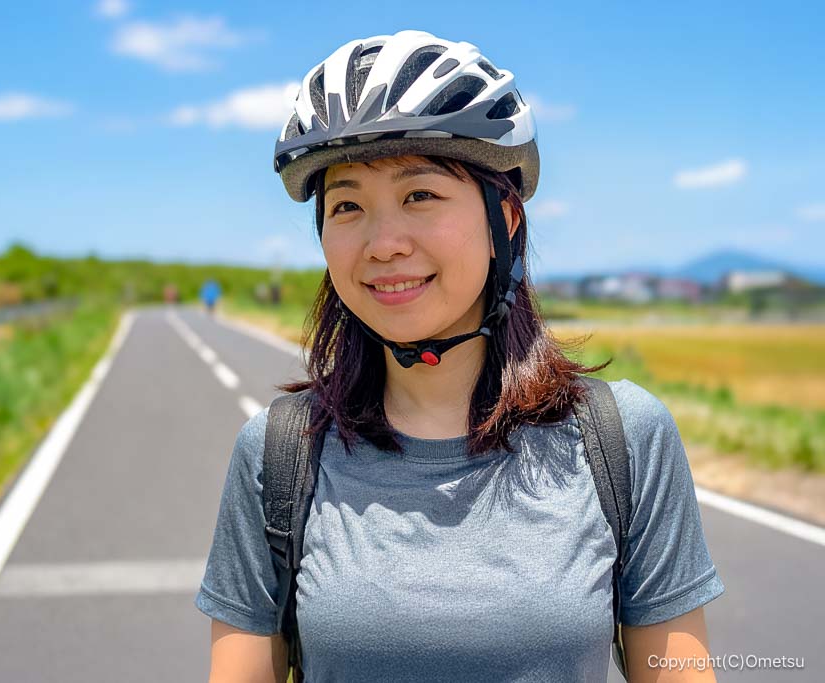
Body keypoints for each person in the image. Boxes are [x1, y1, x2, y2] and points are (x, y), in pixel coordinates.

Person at [195, 30, 725, 682]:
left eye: (420, 195)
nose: (383, 242)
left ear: (504, 217)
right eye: (348, 205)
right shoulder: (281, 454)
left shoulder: (621, 439)